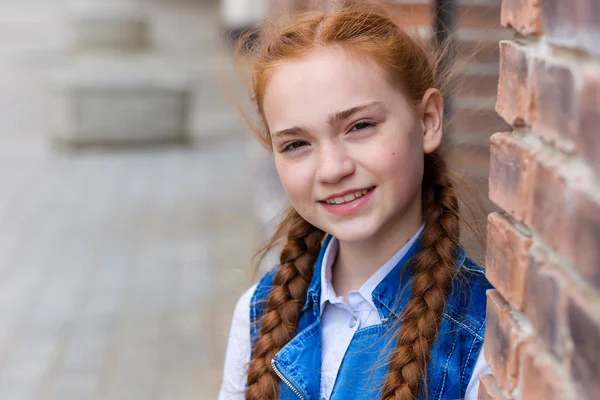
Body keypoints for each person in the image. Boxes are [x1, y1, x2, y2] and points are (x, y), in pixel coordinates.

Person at [219, 2, 493, 399]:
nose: (331, 169)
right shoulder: (257, 313)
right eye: (296, 144)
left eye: (360, 126)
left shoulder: (483, 336)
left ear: (428, 120)